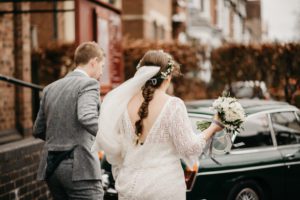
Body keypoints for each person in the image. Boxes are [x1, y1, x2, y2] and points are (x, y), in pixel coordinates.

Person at [92, 50, 223, 200]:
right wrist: (213, 127)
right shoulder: (173, 105)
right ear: (167, 77)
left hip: (129, 188)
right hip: (163, 188)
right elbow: (190, 147)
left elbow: (117, 147)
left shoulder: (124, 103)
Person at [33, 41, 104, 200]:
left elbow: (38, 129)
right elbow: (86, 117)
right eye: (102, 66)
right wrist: (110, 137)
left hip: (52, 167)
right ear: (93, 62)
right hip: (79, 168)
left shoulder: (50, 88)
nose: (102, 71)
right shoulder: (89, 84)